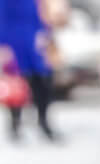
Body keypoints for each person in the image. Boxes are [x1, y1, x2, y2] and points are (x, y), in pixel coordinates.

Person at [0, 0, 59, 141]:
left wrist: (45, 33)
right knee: (16, 85)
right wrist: (3, 45)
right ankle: (15, 123)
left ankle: (43, 121)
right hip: (13, 42)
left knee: (43, 82)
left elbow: (41, 16)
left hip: (34, 42)